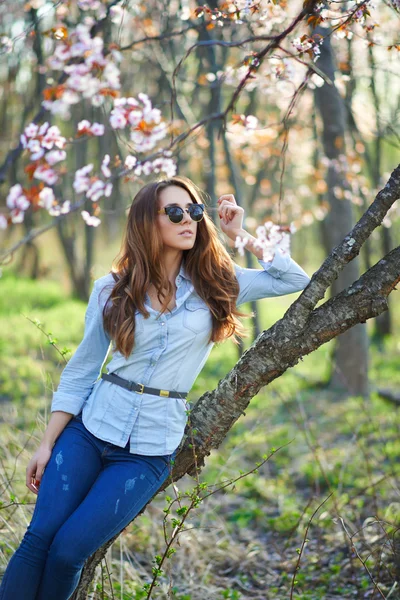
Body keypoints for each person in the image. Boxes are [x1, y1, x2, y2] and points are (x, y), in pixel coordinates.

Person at [0, 175, 311, 600]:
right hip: (89, 431)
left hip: (148, 450)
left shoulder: (218, 281)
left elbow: (293, 278)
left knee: (68, 552)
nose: (190, 220)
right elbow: (81, 371)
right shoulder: (112, 289)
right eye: (176, 212)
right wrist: (46, 444)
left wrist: (243, 235)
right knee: (39, 541)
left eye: (195, 211)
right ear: (149, 222)